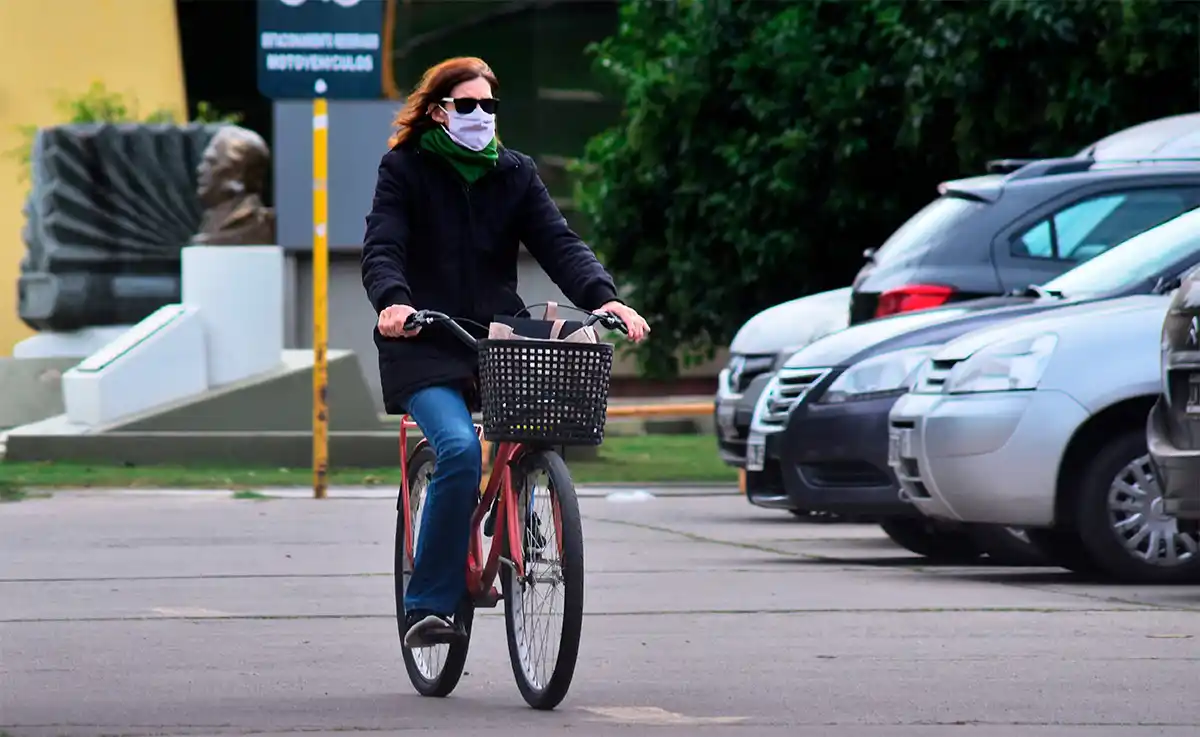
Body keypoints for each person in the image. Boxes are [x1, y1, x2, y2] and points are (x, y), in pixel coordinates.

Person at [361, 56, 650, 648]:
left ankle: (513, 506)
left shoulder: (515, 172)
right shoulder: (405, 169)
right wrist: (393, 303)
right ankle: (430, 604)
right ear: (440, 111)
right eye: (467, 105)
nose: (480, 116)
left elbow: (559, 243)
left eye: (489, 106)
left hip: (496, 340)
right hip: (424, 339)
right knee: (460, 451)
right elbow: (383, 244)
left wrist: (607, 299)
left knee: (533, 431)